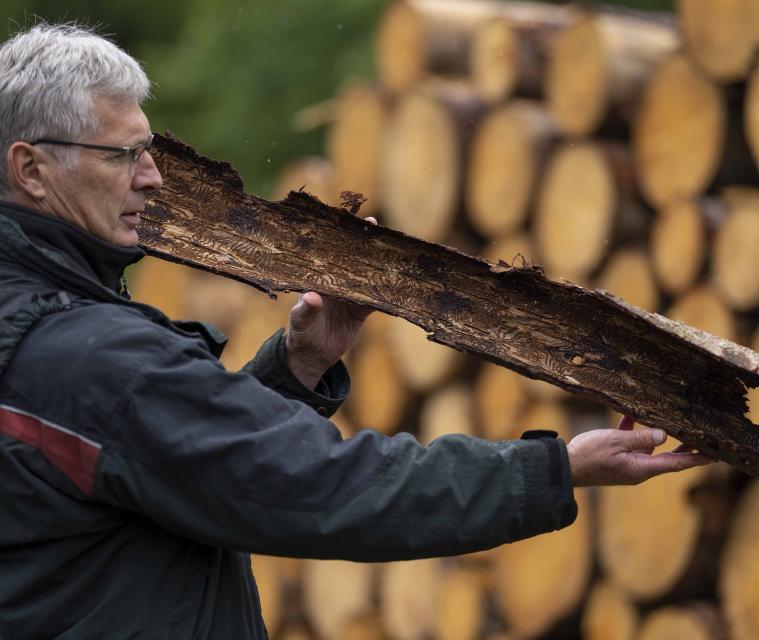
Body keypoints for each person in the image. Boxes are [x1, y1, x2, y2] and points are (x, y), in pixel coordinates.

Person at [0, 23, 711, 638]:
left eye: (148, 149)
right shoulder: (86, 357)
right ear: (30, 168)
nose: (153, 178)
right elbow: (318, 488)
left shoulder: (35, 330)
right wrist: (557, 469)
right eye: (121, 155)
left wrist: (298, 368)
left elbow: (171, 464)